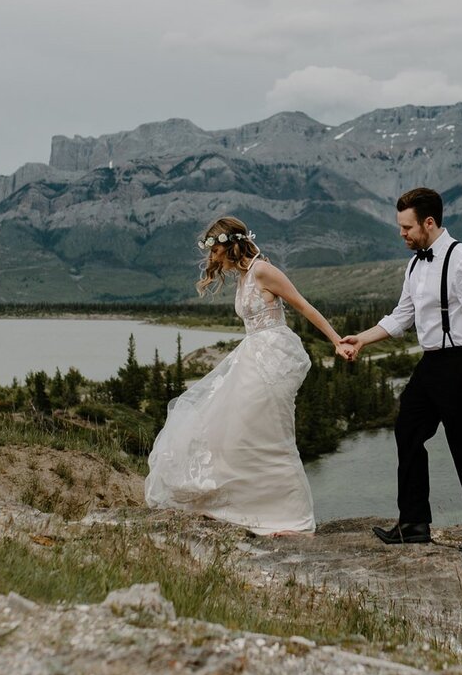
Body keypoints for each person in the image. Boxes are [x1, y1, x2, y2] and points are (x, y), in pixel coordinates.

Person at [145, 216, 346, 535]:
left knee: (271, 435)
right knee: (236, 432)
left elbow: (304, 306)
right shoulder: (242, 277)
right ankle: (246, 506)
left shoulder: (263, 270)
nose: (212, 259)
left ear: (227, 245)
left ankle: (293, 518)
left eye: (214, 251)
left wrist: (336, 340)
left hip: (274, 358)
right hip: (252, 355)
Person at [340, 187, 462, 559]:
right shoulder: (415, 264)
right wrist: (363, 340)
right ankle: (414, 523)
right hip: (431, 363)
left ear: (429, 223)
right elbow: (402, 315)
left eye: (406, 228)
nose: (402, 234)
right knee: (408, 430)